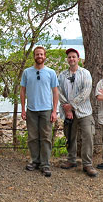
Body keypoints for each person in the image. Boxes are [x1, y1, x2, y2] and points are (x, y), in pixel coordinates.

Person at [58, 48, 98, 177]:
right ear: (67, 60)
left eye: (74, 57)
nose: (71, 59)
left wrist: (72, 106)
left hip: (84, 111)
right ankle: (71, 160)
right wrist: (67, 108)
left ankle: (87, 164)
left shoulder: (85, 73)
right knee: (70, 136)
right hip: (68, 112)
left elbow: (86, 92)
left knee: (88, 135)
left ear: (78, 59)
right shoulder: (62, 75)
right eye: (69, 57)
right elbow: (58, 91)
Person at [20, 46, 58, 177]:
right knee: (32, 137)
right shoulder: (27, 72)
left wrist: (54, 111)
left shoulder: (51, 72)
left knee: (46, 137)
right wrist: (23, 109)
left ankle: (45, 164)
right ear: (34, 56)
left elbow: (55, 91)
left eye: (41, 54)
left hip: (46, 110)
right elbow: (23, 90)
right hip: (31, 109)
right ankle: (35, 161)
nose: (39, 56)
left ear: (45, 56)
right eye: (37, 54)